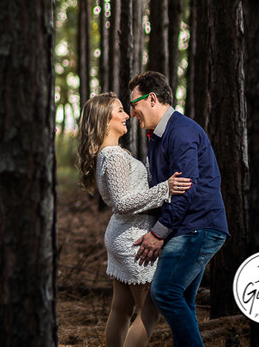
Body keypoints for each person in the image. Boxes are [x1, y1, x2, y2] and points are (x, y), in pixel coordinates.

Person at [78, 92, 191, 347]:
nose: (127, 114)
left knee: (121, 308)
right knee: (149, 312)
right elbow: (122, 202)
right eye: (119, 110)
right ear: (104, 121)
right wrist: (166, 188)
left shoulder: (109, 153)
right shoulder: (114, 155)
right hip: (133, 238)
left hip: (123, 234)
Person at [128, 70, 229, 347]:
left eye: (134, 104)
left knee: (164, 292)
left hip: (199, 227)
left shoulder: (181, 132)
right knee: (183, 299)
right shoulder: (157, 136)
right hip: (188, 226)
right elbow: (164, 190)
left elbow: (184, 190)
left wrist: (159, 234)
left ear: (152, 99)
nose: (132, 112)